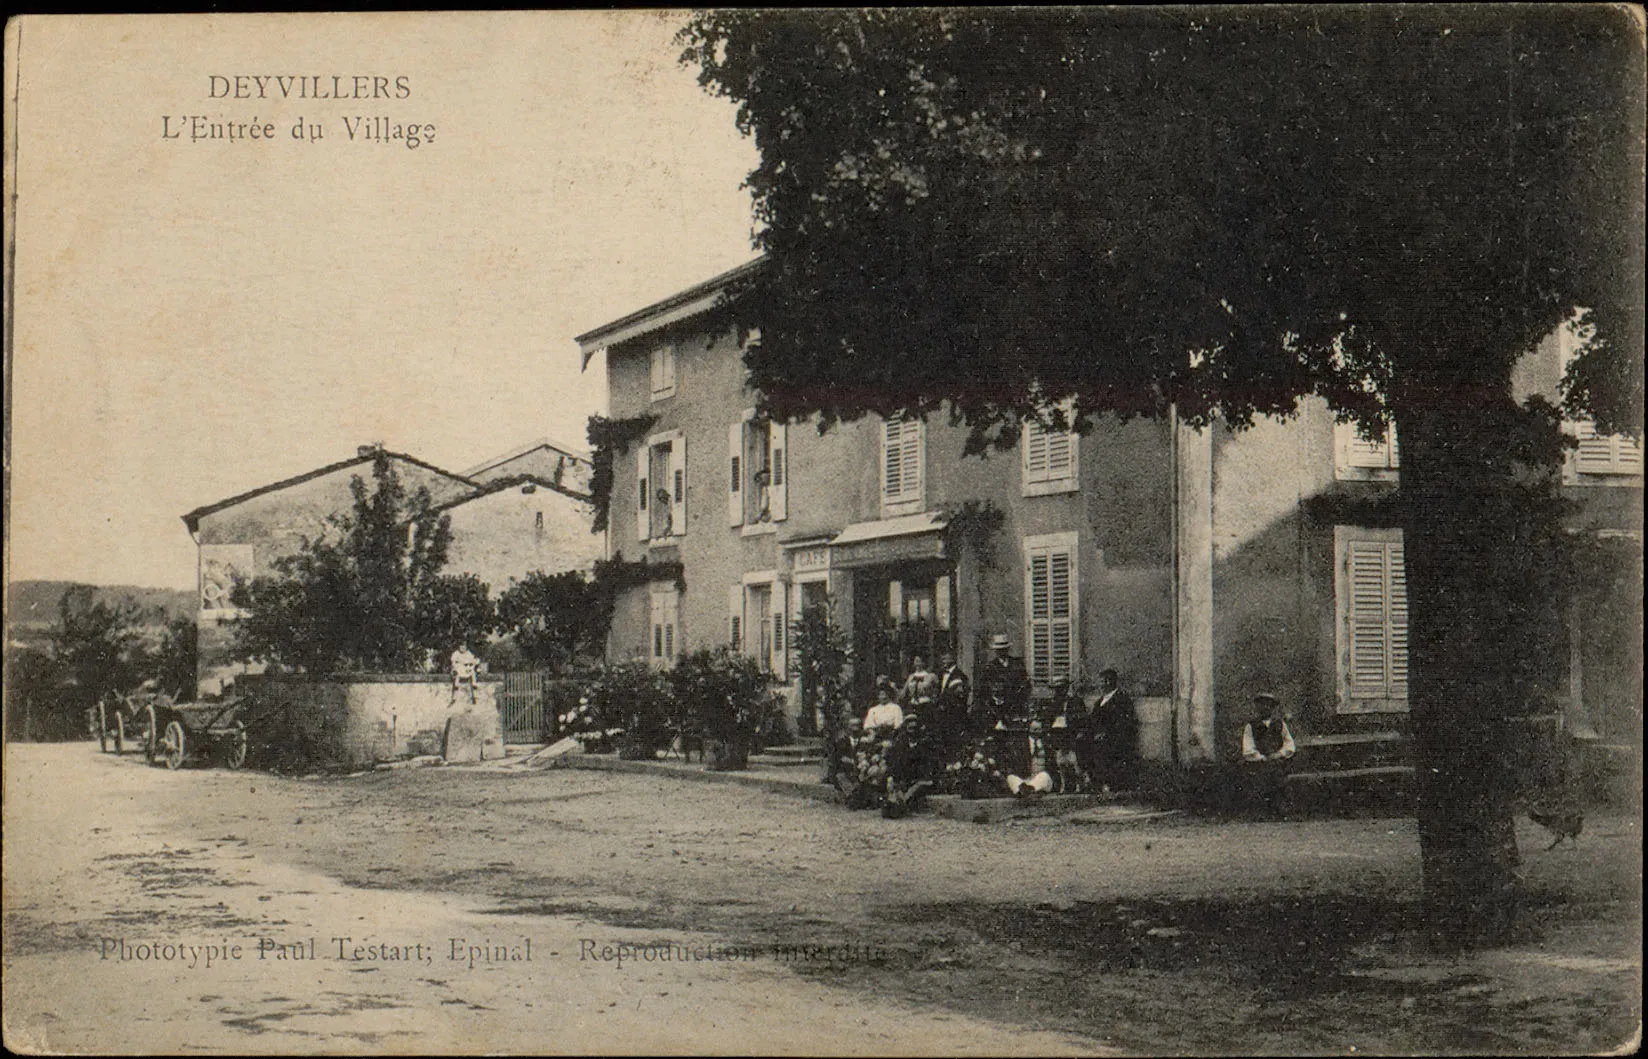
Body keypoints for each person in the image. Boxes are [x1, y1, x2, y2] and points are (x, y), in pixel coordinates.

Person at [1240, 693, 1296, 814]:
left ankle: (1281, 810)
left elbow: (1289, 744)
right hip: (1259, 763)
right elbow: (1248, 747)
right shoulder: (1251, 726)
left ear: (1273, 708)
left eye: (1269, 705)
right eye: (1262, 705)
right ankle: (1262, 810)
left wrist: (1280, 754)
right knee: (1259, 780)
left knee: (1280, 778)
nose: (1265, 708)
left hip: (1277, 761)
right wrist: (1260, 757)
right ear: (1257, 708)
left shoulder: (1280, 724)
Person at [1091, 668, 1141, 793]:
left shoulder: (1122, 700)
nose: (1100, 685)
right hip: (1099, 738)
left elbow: (1125, 722)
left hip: (1116, 739)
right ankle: (1099, 784)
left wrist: (1107, 733)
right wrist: (1096, 733)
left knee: (1111, 756)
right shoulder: (1099, 702)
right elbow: (1093, 721)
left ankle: (1113, 785)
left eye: (1102, 681)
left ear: (1108, 682)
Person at [973, 634, 1030, 733]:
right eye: (999, 650)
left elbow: (1025, 685)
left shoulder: (1017, 664)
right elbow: (983, 690)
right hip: (996, 710)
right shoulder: (990, 668)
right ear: (995, 651)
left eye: (1004, 649)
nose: (1001, 652)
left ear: (1008, 649)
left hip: (1015, 709)